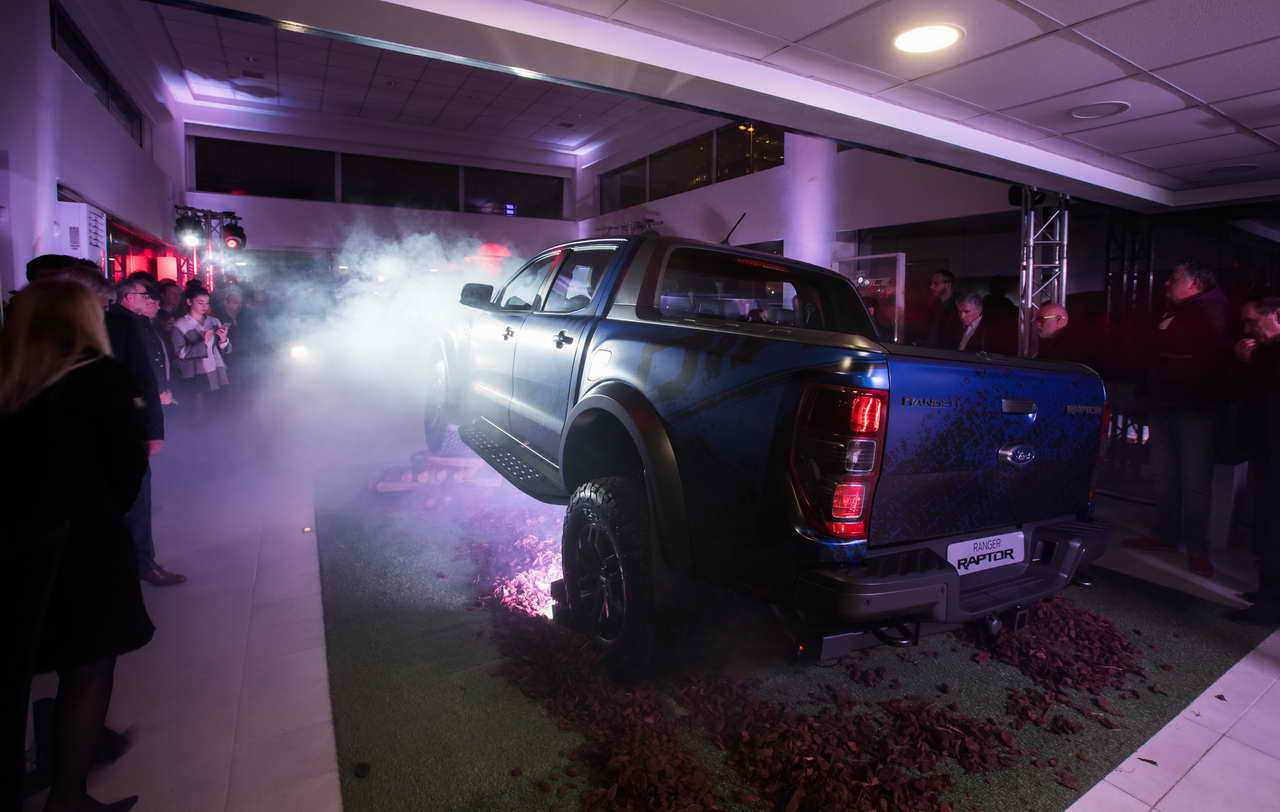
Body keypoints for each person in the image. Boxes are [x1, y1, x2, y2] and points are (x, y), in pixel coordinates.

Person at [1, 280, 153, 812]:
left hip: (15, 545)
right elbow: (127, 471)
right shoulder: (101, 377)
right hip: (85, 544)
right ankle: (68, 797)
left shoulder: (10, 377)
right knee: (88, 667)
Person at [1126, 262, 1233, 577]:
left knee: (1194, 480)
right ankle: (1166, 534)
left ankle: (1197, 547)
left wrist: (1165, 348)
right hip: (1166, 403)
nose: (1167, 284)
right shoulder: (1177, 311)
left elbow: (1193, 356)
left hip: (1194, 408)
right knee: (1165, 473)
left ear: (1195, 283)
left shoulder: (1212, 312)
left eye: (1174, 279)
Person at [108, 280, 186, 587]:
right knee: (137, 495)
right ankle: (142, 562)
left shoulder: (134, 323)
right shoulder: (122, 325)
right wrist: (153, 425)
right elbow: (139, 375)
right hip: (129, 420)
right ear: (128, 298)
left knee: (138, 493)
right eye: (145, 295)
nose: (151, 300)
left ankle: (140, 560)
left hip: (133, 415)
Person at [1228, 296, 1280, 623]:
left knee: (1274, 526)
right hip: (1266, 449)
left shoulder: (1268, 355)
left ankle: (1271, 603)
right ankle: (1268, 592)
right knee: (1266, 523)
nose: (1248, 330)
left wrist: (1253, 360)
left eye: (1253, 321)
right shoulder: (1267, 353)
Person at [171, 289, 231, 416]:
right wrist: (203, 343)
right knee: (200, 412)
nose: (205, 306)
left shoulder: (214, 321)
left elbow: (223, 350)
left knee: (219, 410)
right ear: (189, 302)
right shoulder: (180, 325)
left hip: (216, 371)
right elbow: (179, 353)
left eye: (207, 303)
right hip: (196, 375)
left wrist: (223, 339)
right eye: (200, 303)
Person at [926, 270, 963, 349]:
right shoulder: (934, 305)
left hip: (947, 353)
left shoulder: (959, 306)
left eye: (936, 283)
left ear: (948, 285)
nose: (931, 287)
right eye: (931, 283)